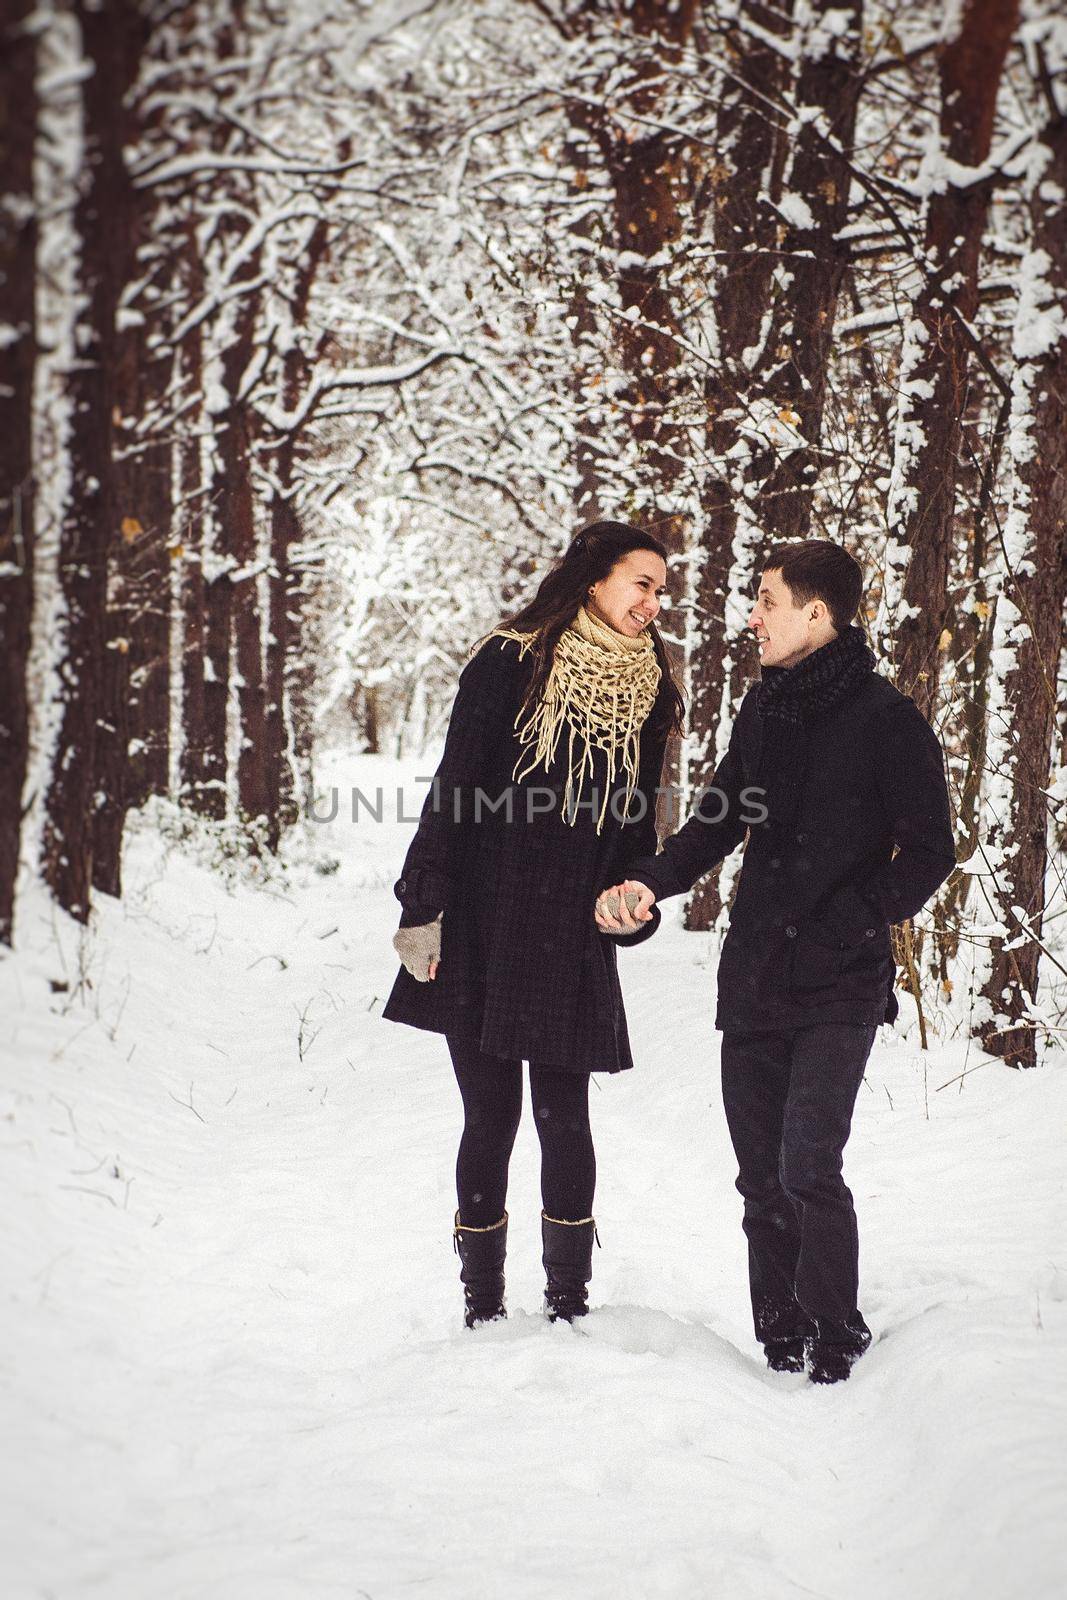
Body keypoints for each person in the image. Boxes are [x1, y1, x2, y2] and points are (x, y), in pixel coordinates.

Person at [597, 540, 956, 1384]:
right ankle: (779, 1335)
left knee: (806, 1165)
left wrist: (850, 922)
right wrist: (647, 883)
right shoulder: (765, 714)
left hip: (838, 980)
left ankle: (835, 1335)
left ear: (815, 615)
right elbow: (716, 821)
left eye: (765, 601)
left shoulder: (886, 721)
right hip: (755, 974)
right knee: (760, 1179)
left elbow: (929, 851)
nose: (750, 617)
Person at [384, 522, 683, 1329]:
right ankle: (482, 1304)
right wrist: (424, 906)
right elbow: (456, 785)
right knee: (491, 1116)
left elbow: (633, 822)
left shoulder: (651, 684)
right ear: (593, 579)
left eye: (661, 589)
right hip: (483, 912)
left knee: (564, 1115)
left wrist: (631, 899)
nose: (655, 602)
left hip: (568, 926)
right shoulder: (511, 659)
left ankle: (567, 1306)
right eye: (642, 583)